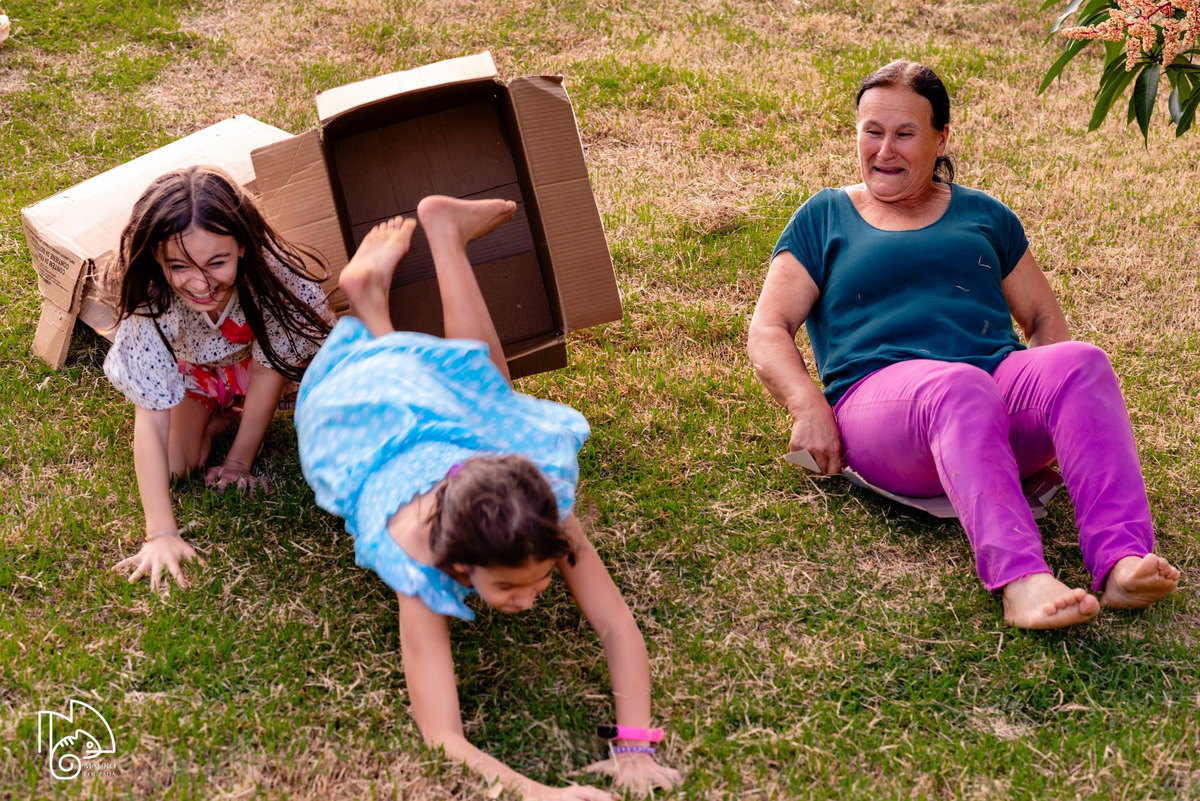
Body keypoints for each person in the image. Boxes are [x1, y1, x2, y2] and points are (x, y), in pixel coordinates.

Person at [747, 60, 1181, 630]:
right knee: (960, 386)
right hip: (884, 411)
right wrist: (807, 405)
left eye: (905, 134)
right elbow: (768, 328)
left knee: (1081, 362)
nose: (884, 150)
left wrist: (1052, 416)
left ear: (941, 138)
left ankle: (1122, 559)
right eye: (872, 131)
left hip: (991, 395)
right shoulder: (825, 217)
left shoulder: (984, 215)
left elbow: (1043, 317)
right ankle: (1021, 579)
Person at [294, 196, 683, 799]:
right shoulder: (419, 565)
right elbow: (441, 735)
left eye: (540, 580)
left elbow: (615, 626)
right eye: (506, 587)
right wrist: (546, 795)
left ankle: (392, 288)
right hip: (351, 412)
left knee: (485, 394)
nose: (527, 601)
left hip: (433, 429)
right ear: (457, 560)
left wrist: (634, 746)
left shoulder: (542, 510)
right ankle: (387, 295)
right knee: (452, 386)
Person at [105, 165, 332, 590]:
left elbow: (269, 368)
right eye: (179, 265)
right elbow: (150, 418)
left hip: (264, 373)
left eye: (217, 262)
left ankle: (235, 425)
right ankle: (220, 420)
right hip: (198, 376)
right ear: (156, 256)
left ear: (242, 245)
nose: (200, 283)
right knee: (173, 468)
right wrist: (161, 533)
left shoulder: (274, 277)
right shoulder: (151, 299)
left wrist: (238, 464)